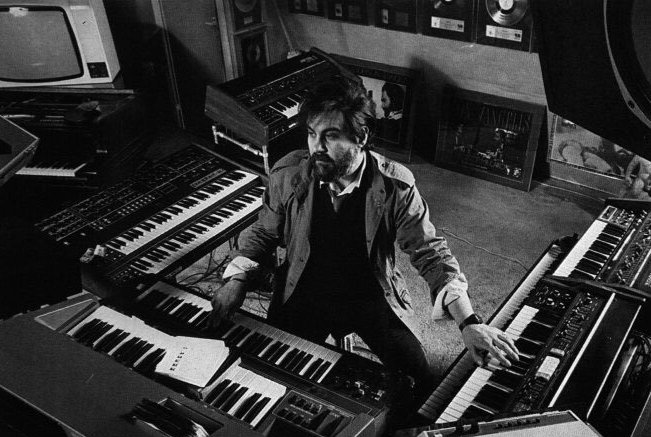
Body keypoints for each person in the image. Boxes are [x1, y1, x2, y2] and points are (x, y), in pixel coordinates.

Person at [209, 74, 519, 406]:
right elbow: (263, 233)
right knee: (272, 371)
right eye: (312, 134)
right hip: (304, 290)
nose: (316, 148)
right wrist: (237, 278)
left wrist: (469, 323)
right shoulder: (289, 174)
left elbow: (430, 252)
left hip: (371, 294)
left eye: (330, 136)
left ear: (362, 137)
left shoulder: (395, 185)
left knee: (419, 378)